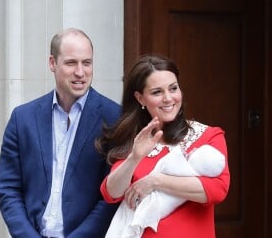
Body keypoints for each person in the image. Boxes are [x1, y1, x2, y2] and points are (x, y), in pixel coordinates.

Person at [0, 28, 121, 238]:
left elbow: (111, 196)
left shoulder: (115, 118)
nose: (80, 72)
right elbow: (9, 189)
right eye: (71, 63)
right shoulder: (22, 118)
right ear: (52, 63)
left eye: (87, 63)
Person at [96, 54, 230, 238]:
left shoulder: (208, 136)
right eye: (157, 92)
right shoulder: (138, 140)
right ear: (140, 98)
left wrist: (155, 181)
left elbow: (217, 190)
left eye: (173, 88)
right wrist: (134, 157)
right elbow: (112, 192)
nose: (168, 98)